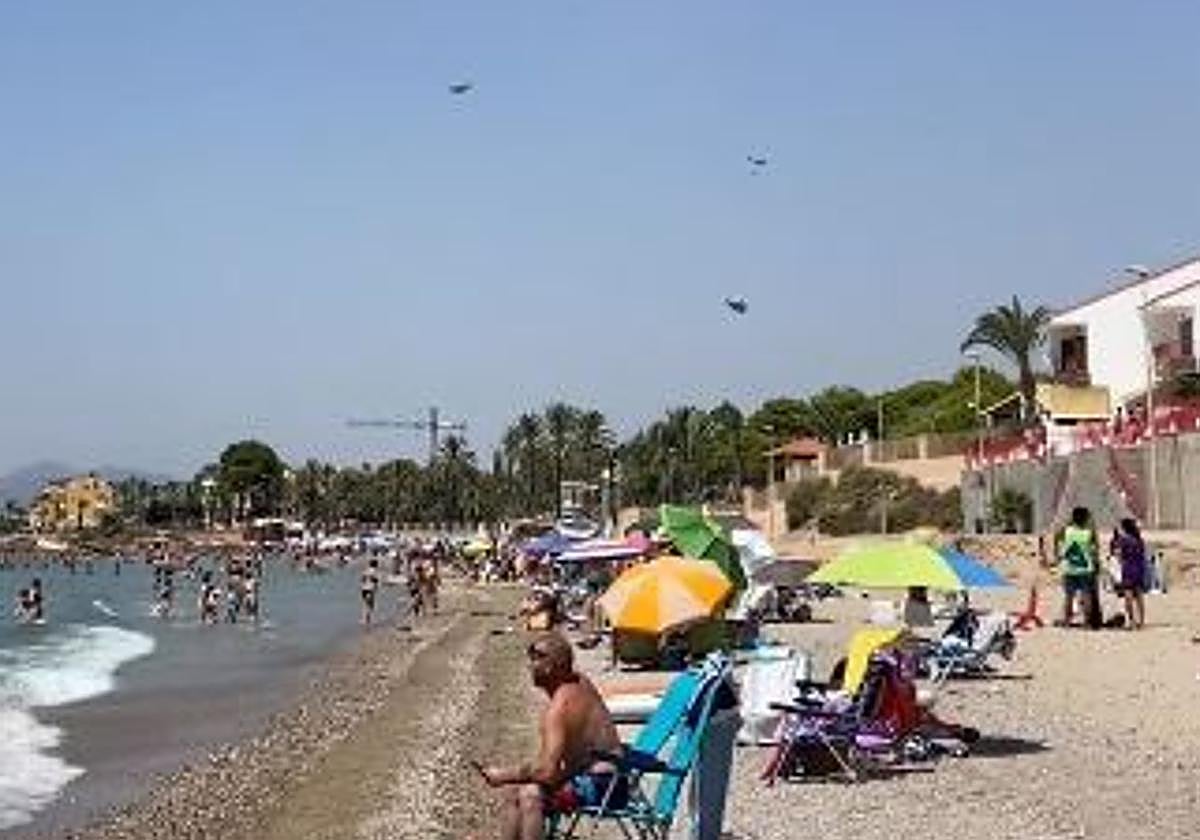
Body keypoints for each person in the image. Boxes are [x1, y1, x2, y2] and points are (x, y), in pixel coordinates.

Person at [479, 632, 625, 840]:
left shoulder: (559, 709)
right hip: (608, 777)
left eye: (538, 658)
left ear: (554, 665)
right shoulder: (580, 681)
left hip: (604, 787)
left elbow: (547, 772)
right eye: (531, 658)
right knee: (513, 792)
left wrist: (504, 774)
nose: (531, 665)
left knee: (530, 796)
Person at [1055, 507, 1099, 628]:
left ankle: (1067, 621)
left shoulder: (1067, 530)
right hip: (1085, 568)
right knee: (1086, 596)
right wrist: (1096, 563)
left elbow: (1057, 535)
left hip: (1070, 567)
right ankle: (1086, 622)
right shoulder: (1089, 532)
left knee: (1069, 596)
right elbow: (1095, 549)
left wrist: (1057, 553)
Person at [1112, 517, 1148, 629]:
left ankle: (1132, 620)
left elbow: (1118, 554)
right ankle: (1141, 621)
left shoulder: (1124, 540)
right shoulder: (1139, 540)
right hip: (1139, 570)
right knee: (1139, 597)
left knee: (1128, 596)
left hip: (1128, 570)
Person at [361, 558, 381, 626]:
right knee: (371, 605)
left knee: (365, 604)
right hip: (370, 589)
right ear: (376, 565)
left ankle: (365, 619)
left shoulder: (366, 570)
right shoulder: (374, 571)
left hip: (364, 589)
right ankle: (368, 620)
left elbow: (362, 579)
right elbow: (375, 579)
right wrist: (376, 585)